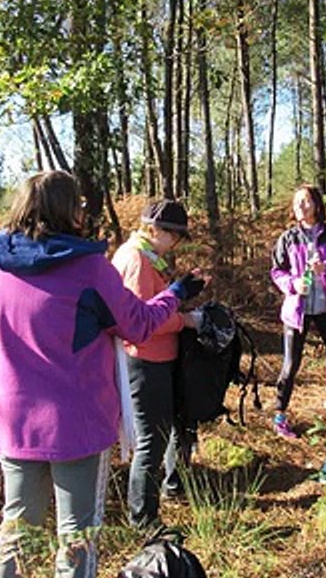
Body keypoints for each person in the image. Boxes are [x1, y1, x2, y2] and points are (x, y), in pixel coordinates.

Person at [0, 171, 207, 578]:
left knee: (17, 527)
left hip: (11, 422)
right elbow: (137, 324)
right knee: (77, 535)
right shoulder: (89, 268)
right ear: (70, 210)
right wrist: (175, 295)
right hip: (78, 425)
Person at [111, 199, 202, 531]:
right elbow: (139, 321)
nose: (175, 244)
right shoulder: (136, 259)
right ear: (153, 230)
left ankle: (158, 498)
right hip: (144, 360)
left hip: (158, 358)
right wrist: (186, 321)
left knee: (160, 434)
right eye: (173, 236)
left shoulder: (149, 258)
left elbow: (156, 305)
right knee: (151, 439)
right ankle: (143, 518)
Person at [269, 184, 326, 441]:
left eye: (306, 201)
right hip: (296, 311)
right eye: (297, 202)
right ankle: (279, 416)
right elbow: (277, 272)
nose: (300, 206)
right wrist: (292, 285)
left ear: (317, 205)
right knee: (290, 366)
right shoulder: (288, 238)